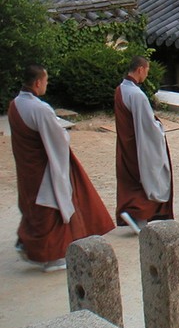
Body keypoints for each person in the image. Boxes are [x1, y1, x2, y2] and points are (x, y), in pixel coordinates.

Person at [9, 64, 114, 272]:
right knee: (51, 206)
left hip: (27, 166)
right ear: (38, 82)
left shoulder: (15, 105)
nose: (46, 85)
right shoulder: (40, 109)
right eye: (46, 81)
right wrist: (65, 134)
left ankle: (28, 244)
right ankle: (52, 256)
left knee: (33, 205)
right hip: (43, 167)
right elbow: (58, 139)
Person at [114, 56, 173, 233]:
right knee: (149, 177)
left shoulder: (120, 90)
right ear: (140, 69)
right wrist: (160, 128)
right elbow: (148, 125)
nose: (146, 75)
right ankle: (137, 214)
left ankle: (133, 214)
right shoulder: (137, 95)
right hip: (140, 145)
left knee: (131, 180)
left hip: (126, 143)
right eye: (146, 71)